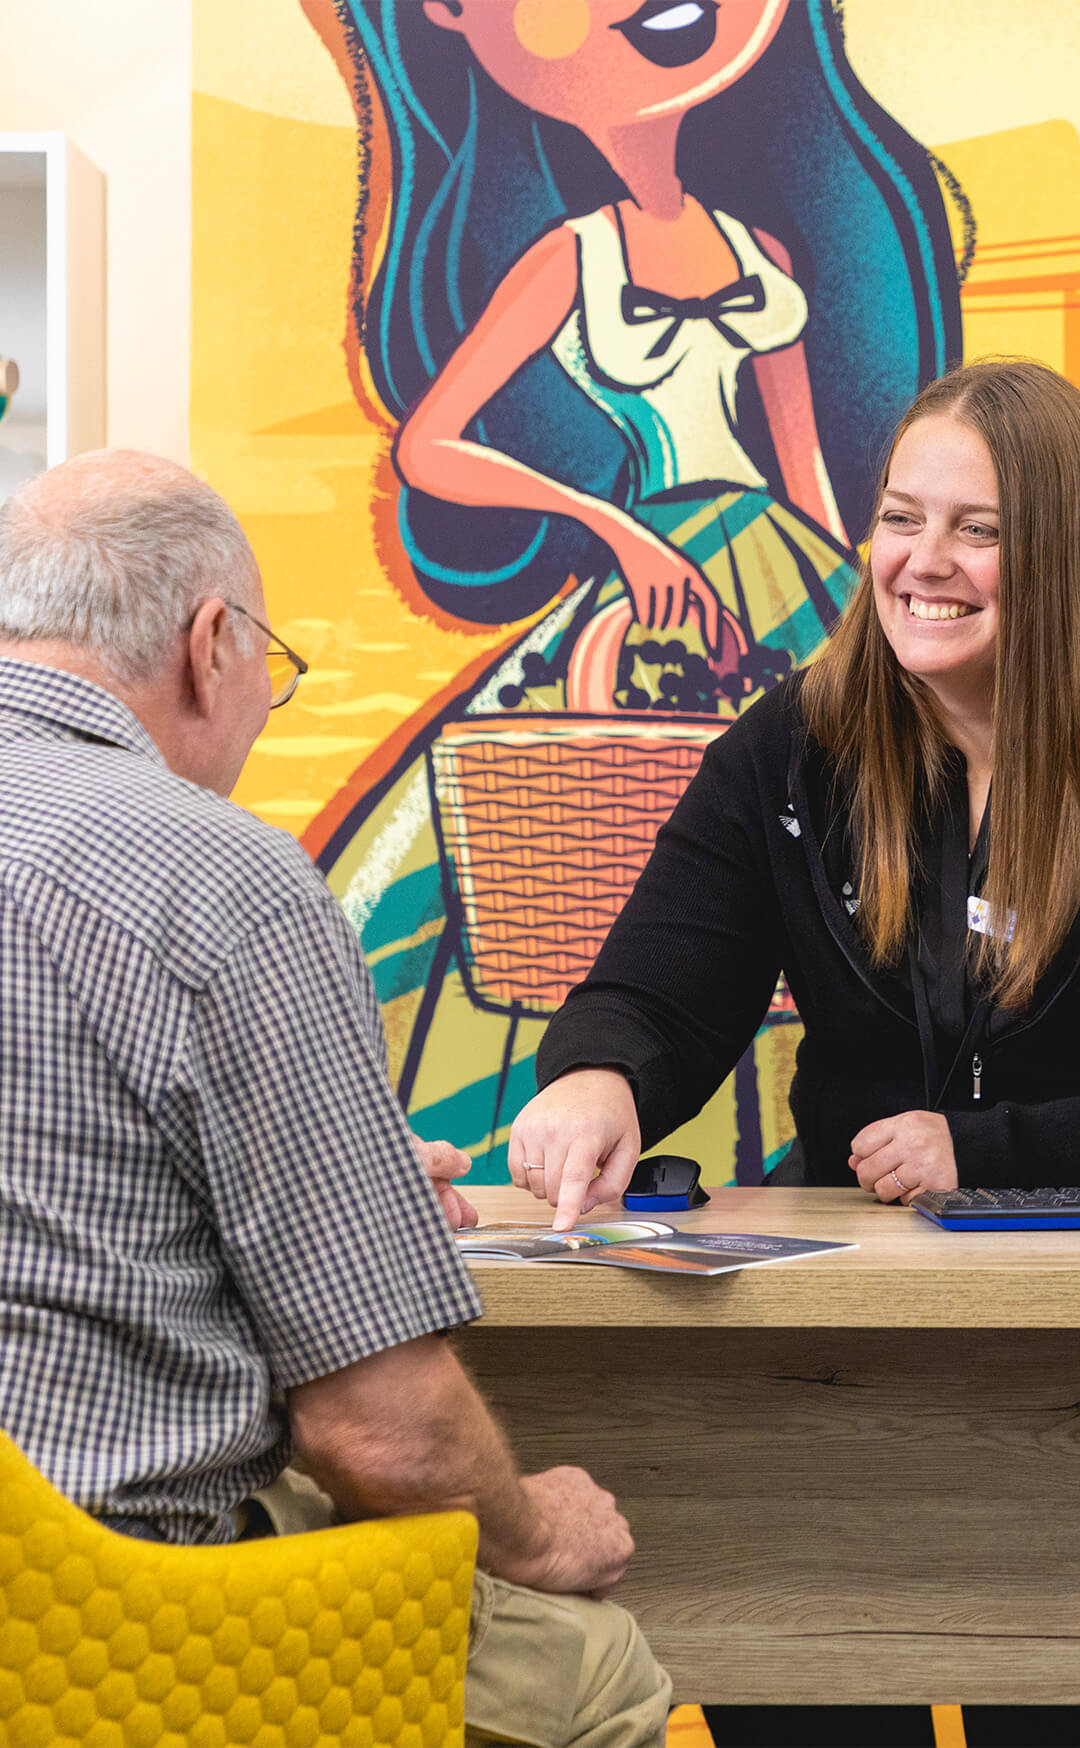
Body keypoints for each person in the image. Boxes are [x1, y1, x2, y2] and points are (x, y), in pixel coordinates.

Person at [0, 450, 671, 1744]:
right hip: (109, 1618)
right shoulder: (221, 879)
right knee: (598, 1667)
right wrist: (538, 1528)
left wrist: (323, 1204)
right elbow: (389, 1443)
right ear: (212, 645)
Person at [307, 0, 962, 1182]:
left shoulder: (762, 253)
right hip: (647, 567)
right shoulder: (572, 251)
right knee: (617, 850)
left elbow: (806, 478)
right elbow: (432, 443)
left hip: (783, 562)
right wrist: (611, 527)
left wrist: (850, 590)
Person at [507, 358, 1080, 1229]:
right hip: (848, 1255)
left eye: (980, 531)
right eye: (901, 519)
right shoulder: (791, 742)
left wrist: (991, 1149)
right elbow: (658, 988)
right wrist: (600, 1081)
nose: (923, 564)